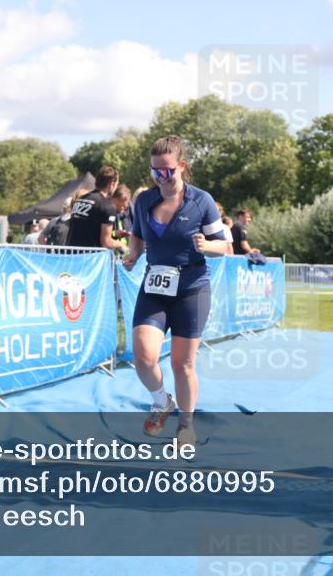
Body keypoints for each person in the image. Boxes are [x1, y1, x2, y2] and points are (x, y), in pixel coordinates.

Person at [122, 136, 230, 447]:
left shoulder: (201, 201)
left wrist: (206, 245)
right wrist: (133, 255)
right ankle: (161, 400)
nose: (160, 177)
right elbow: (138, 237)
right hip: (155, 286)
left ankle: (186, 425)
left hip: (191, 290)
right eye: (155, 171)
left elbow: (224, 246)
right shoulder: (144, 201)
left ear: (181, 166)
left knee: (182, 364)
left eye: (167, 171)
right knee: (143, 358)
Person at [66, 167, 127, 253]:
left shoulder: (80, 199)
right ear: (112, 184)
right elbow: (106, 242)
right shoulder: (107, 206)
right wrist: (121, 245)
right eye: (117, 184)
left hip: (72, 257)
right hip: (90, 260)